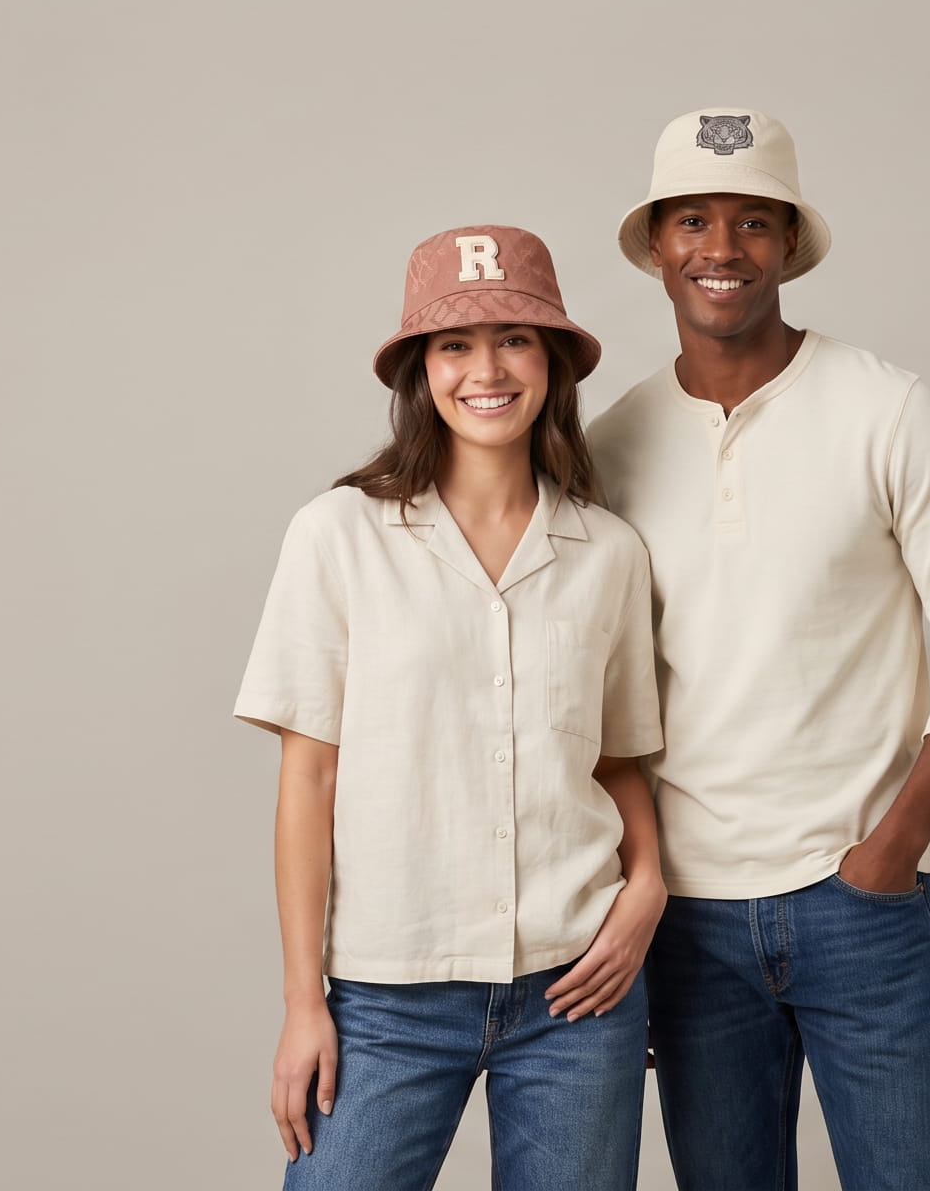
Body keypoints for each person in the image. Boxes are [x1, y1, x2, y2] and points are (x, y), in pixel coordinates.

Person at [588, 110, 930, 1191]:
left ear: (787, 245)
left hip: (858, 907)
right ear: (656, 246)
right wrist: (629, 891)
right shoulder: (610, 445)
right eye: (692, 220)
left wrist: (889, 850)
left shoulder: (887, 409)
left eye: (751, 222)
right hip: (684, 921)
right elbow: (596, 697)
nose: (720, 249)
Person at [231, 225, 667, 1191]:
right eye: (456, 345)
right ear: (419, 370)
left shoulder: (610, 553)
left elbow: (618, 760)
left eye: (515, 339)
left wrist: (647, 889)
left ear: (552, 362)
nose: (488, 369)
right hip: (388, 992)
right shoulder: (339, 535)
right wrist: (306, 1002)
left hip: (577, 992)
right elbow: (308, 778)